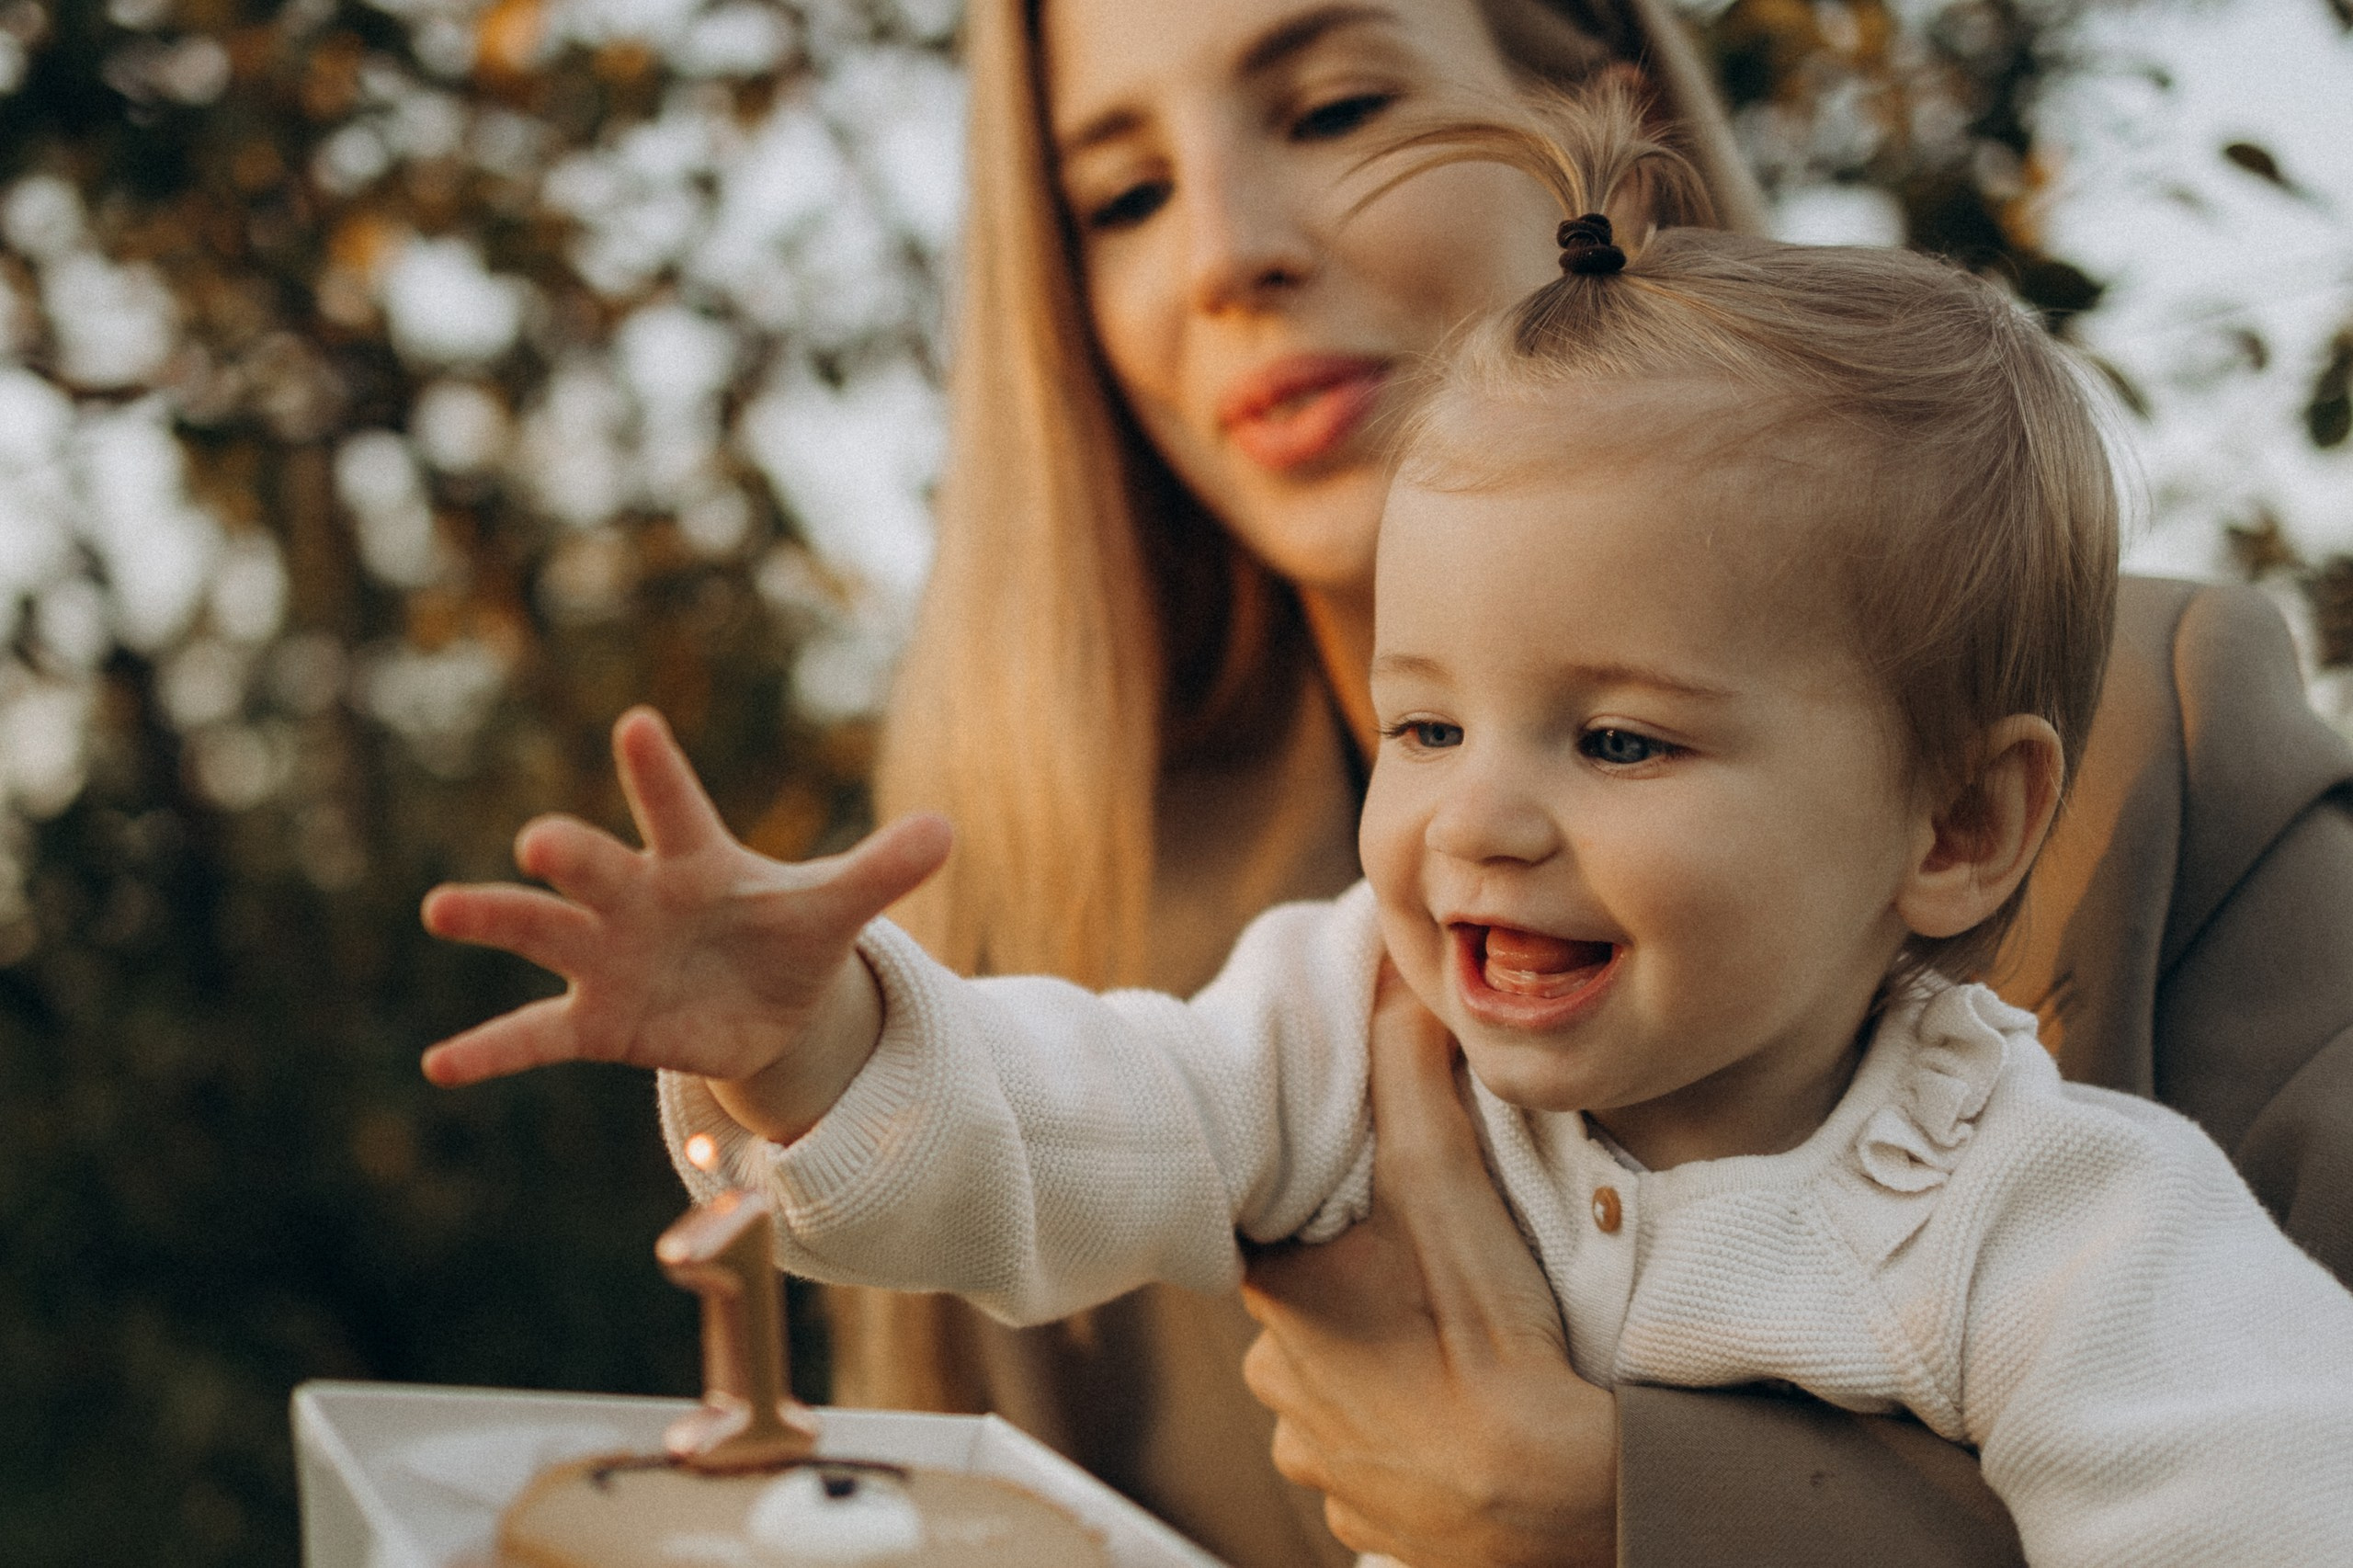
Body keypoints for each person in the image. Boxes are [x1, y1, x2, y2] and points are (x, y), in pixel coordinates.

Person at [417, 98, 2353, 1566]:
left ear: (1954, 823)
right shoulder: (1344, 1022)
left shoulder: (2046, 1217)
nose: (1472, 819)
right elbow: (1058, 1123)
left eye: (1614, 737)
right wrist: (809, 1034)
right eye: (1419, 720)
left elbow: (2260, 1509)